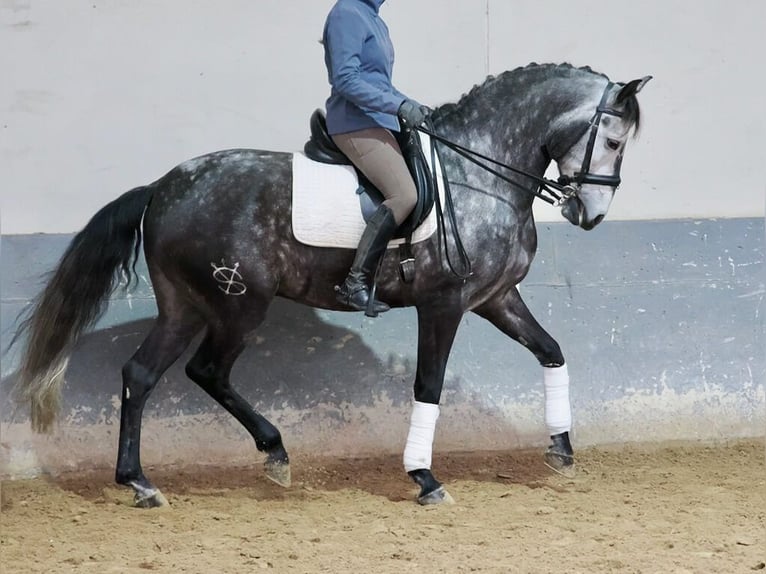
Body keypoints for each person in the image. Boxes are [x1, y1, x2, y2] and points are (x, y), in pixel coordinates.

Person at [323, 0, 430, 314]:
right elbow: (345, 79)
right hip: (354, 123)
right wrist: (396, 107)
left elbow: (379, 83)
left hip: (378, 121)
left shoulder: (374, 19)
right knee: (404, 194)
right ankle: (355, 281)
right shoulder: (347, 13)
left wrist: (410, 103)